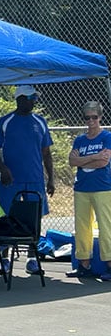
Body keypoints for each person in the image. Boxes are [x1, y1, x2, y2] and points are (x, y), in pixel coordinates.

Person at [0, 85, 54, 275]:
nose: (35, 101)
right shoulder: (6, 121)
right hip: (11, 181)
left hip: (35, 179)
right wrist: (4, 169)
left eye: (36, 98)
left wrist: (51, 179)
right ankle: (5, 261)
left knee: (34, 218)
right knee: (8, 216)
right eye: (32, 98)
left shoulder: (40, 122)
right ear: (21, 99)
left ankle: (33, 259)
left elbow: (46, 153)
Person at [67, 100, 111, 280]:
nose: (91, 121)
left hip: (102, 187)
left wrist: (84, 159)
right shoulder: (80, 139)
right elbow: (72, 161)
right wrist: (94, 156)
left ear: (100, 117)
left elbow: (104, 162)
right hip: (82, 188)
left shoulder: (106, 137)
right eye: (87, 117)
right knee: (82, 226)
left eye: (94, 117)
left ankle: (109, 264)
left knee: (106, 226)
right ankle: (84, 264)